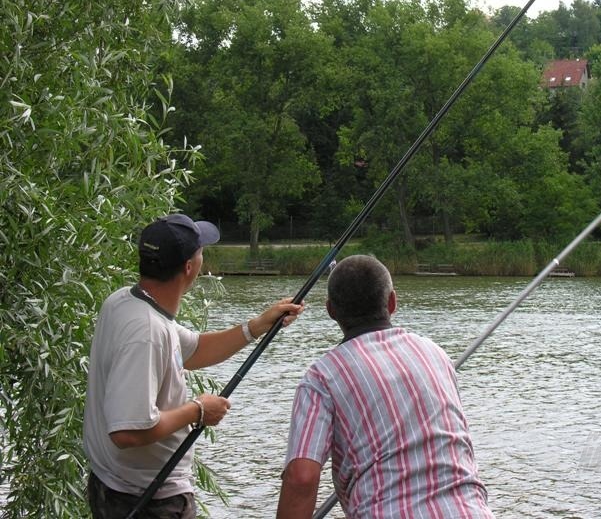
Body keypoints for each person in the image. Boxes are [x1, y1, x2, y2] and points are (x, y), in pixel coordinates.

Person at [83, 213, 304, 518]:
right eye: (201, 251)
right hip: (148, 501)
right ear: (189, 267)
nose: (203, 257)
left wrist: (256, 326)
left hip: (113, 487)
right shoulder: (147, 332)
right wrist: (199, 410)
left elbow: (194, 349)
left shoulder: (124, 302)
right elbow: (127, 432)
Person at [277, 254, 494, 518]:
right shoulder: (435, 353)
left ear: (331, 310)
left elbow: (301, 478)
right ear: (392, 301)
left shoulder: (321, 378)